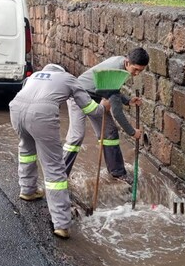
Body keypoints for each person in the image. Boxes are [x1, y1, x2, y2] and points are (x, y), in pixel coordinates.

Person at [9, 63, 110, 239]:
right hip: (41, 114)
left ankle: (27, 190)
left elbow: (26, 93)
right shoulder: (68, 78)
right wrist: (103, 108)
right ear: (61, 71)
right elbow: (90, 109)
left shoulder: (34, 76)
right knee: (54, 167)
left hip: (16, 110)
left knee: (26, 149)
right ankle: (62, 224)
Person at [63, 47, 150, 182]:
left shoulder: (121, 64)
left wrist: (127, 101)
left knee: (109, 132)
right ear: (127, 62)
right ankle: (60, 176)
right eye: (136, 69)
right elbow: (117, 112)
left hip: (94, 97)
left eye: (141, 70)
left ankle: (117, 173)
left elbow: (111, 91)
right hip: (77, 96)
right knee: (76, 137)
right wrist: (132, 132)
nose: (137, 73)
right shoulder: (115, 73)